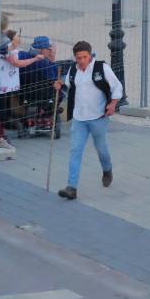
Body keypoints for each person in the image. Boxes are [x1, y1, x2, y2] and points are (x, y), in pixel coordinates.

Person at [53, 41, 123, 201]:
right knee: (75, 151)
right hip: (79, 119)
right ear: (75, 57)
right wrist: (60, 85)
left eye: (85, 57)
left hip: (98, 117)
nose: (82, 60)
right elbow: (68, 86)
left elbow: (117, 87)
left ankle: (107, 169)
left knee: (101, 149)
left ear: (90, 55)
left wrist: (113, 104)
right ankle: (72, 187)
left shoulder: (101, 68)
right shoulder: (73, 70)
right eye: (79, 58)